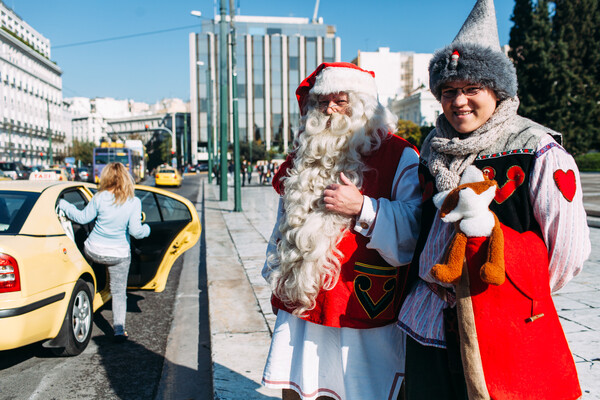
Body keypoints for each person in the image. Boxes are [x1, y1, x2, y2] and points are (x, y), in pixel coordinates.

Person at [397, 1, 591, 399]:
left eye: (472, 88)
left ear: (497, 92)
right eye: (449, 91)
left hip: (497, 323)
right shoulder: (433, 150)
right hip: (427, 320)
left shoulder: (536, 148)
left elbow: (569, 251)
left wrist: (511, 301)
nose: (459, 101)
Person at [261, 62, 422, 400]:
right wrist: (274, 266)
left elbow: (415, 229)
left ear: (363, 104)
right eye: (322, 101)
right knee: (301, 389)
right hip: (302, 304)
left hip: (362, 303)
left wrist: (362, 208)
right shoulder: (301, 157)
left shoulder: (400, 154)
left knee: (363, 391)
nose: (329, 109)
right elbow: (282, 221)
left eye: (340, 100)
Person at [59, 162, 150, 343]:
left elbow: (82, 217)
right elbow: (136, 232)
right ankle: (118, 329)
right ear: (126, 178)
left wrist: (64, 205)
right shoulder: (133, 202)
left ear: (106, 177)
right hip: (118, 255)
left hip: (94, 251)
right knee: (118, 292)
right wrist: (147, 228)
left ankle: (87, 284)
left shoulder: (99, 197)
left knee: (85, 262)